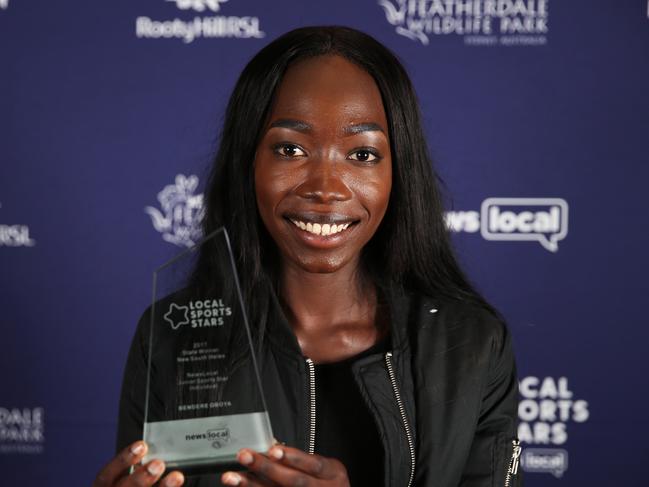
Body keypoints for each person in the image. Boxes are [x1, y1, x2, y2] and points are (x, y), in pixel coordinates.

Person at [94, 26, 522, 487]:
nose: (325, 187)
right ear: (248, 163)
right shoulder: (172, 335)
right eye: (290, 149)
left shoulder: (473, 345)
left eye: (361, 153)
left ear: (399, 172)